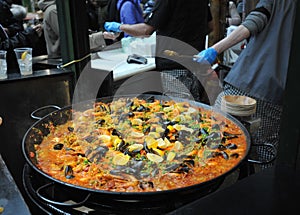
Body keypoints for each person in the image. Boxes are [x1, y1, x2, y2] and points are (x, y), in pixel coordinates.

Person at [195, 0, 297, 170]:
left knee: (214, 141)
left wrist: (215, 49)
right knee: (266, 152)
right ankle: (269, 190)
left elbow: (253, 22)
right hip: (278, 93)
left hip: (244, 83)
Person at [104, 0, 213, 101]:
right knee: (194, 107)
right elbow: (210, 26)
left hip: (173, 67)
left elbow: (145, 30)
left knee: (181, 113)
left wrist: (120, 27)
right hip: (196, 64)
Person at [37, 0, 118, 59]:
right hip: (65, 60)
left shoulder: (62, 9)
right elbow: (73, 41)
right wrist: (101, 37)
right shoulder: (54, 11)